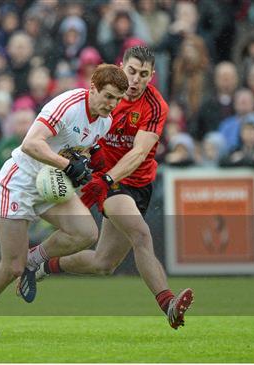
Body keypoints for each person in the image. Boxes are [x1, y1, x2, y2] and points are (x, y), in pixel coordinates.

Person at [31, 46, 194, 330]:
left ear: (152, 76)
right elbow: (78, 128)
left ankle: (45, 265)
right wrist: (90, 171)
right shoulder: (107, 95)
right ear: (122, 67)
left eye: (144, 74)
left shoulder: (156, 106)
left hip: (136, 183)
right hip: (109, 181)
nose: (136, 79)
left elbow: (139, 153)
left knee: (103, 264)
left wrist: (105, 179)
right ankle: (168, 303)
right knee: (141, 234)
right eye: (131, 71)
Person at [0, 64, 129, 336]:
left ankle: (34, 260)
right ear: (93, 88)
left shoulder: (105, 120)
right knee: (12, 267)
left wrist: (88, 164)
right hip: (19, 181)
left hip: (50, 184)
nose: (112, 104)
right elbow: (31, 143)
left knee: (86, 233)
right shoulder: (67, 105)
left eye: (118, 99)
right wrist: (67, 165)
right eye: (109, 96)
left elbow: (82, 150)